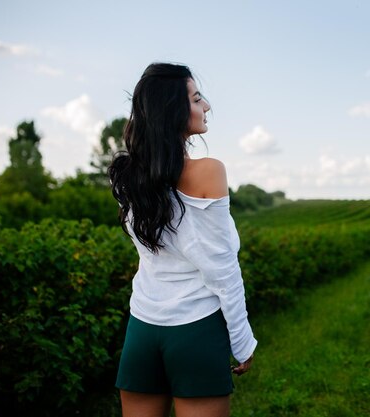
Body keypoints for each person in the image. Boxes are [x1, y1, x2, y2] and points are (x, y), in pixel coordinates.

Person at [108, 62, 257, 417]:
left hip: (142, 328)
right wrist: (242, 340)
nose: (206, 106)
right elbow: (222, 270)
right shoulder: (209, 172)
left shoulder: (128, 177)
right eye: (196, 98)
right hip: (196, 329)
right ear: (173, 110)